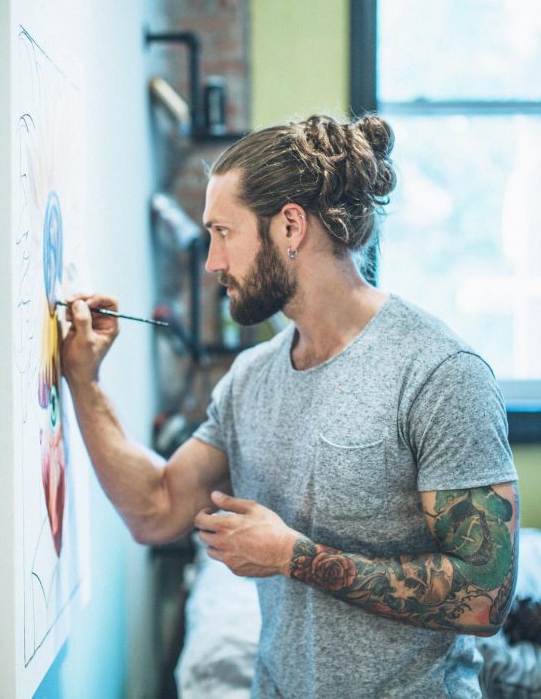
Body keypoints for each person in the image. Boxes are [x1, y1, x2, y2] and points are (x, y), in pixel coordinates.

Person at [62, 114, 519, 698]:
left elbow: (485, 597)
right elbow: (156, 508)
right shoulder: (251, 378)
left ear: (291, 228)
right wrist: (84, 382)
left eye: (223, 233)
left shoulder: (437, 373)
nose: (212, 263)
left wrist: (293, 556)